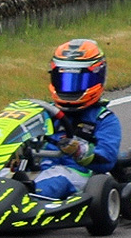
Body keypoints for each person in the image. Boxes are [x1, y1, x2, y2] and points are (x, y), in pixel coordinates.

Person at [35, 39, 122, 199]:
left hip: (79, 174)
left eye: (76, 82)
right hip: (40, 169)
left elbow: (107, 159)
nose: (70, 89)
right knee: (0, 175)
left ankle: (28, 203)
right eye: (64, 81)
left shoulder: (104, 119)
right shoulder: (44, 112)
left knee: (57, 178)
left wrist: (79, 150)